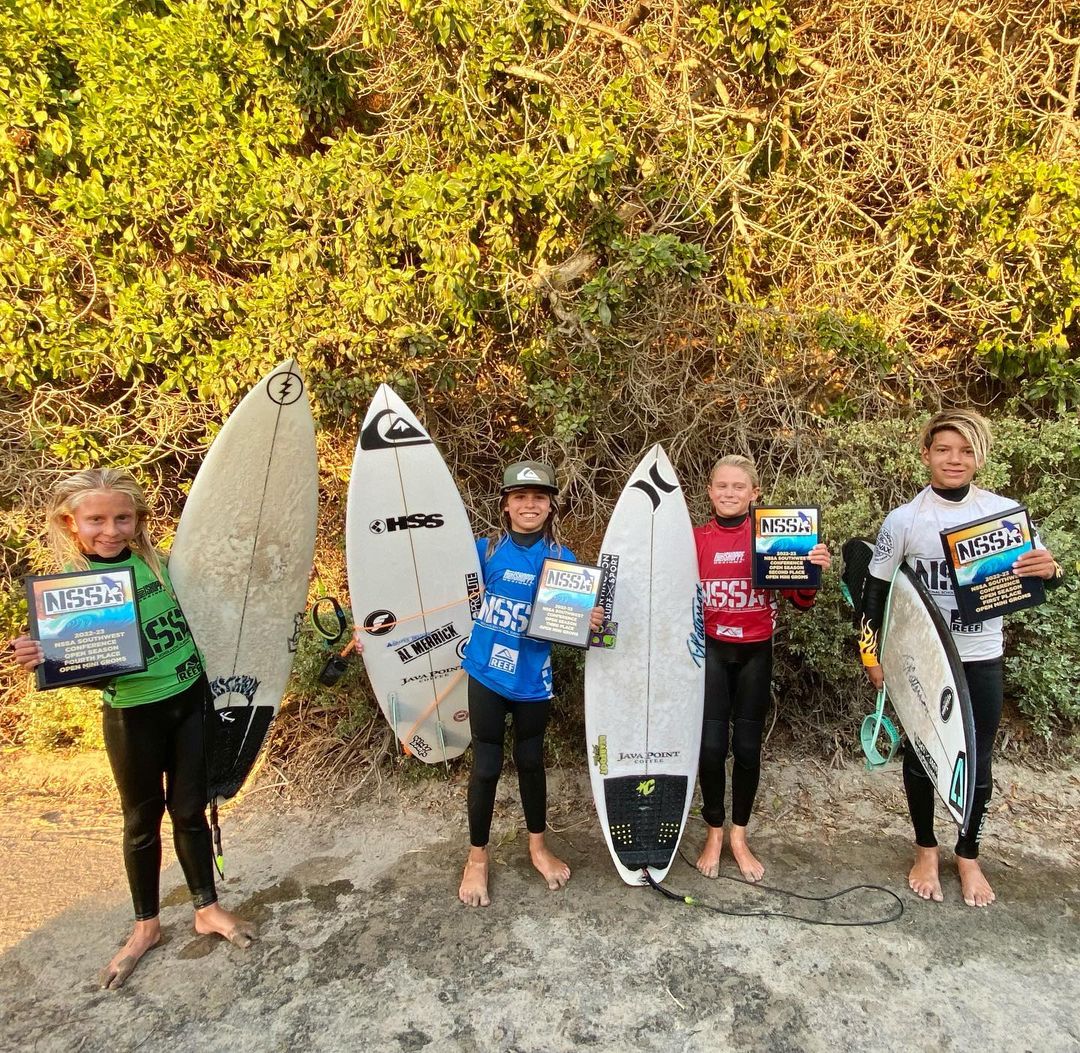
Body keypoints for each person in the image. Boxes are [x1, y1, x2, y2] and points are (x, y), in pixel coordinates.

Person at [10, 469, 255, 989]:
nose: (111, 530)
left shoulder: (161, 565)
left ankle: (206, 909)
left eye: (122, 517)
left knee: (189, 810)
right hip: (133, 715)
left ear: (138, 519)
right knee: (141, 821)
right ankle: (147, 927)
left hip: (191, 702)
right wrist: (40, 655)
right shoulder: (67, 589)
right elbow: (81, 665)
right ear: (71, 523)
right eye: (96, 520)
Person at [858, 410, 1064, 907]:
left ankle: (968, 854)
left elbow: (1043, 580)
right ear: (926, 454)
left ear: (979, 457)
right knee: (921, 755)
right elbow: (873, 593)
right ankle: (925, 849)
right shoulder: (905, 520)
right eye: (944, 450)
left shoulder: (1005, 515)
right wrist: (870, 656)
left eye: (966, 451)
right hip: (923, 660)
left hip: (981, 655)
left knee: (979, 757)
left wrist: (1052, 570)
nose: (955, 459)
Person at [456, 460, 603, 907]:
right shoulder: (482, 551)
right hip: (485, 673)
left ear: (551, 506)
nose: (529, 505)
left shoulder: (563, 561)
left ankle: (538, 847)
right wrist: (378, 637)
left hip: (532, 680)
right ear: (505, 504)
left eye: (539, 498)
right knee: (486, 767)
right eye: (520, 497)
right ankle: (477, 858)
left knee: (531, 762)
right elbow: (436, 601)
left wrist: (588, 620)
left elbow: (572, 624)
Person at [693, 455, 832, 882]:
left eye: (739, 487)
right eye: (721, 486)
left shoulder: (773, 537)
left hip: (755, 653)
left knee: (748, 749)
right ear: (710, 491)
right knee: (711, 748)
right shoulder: (694, 540)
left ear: (755, 493)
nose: (729, 493)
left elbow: (800, 601)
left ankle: (738, 836)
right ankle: (714, 832)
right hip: (711, 653)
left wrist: (810, 571)